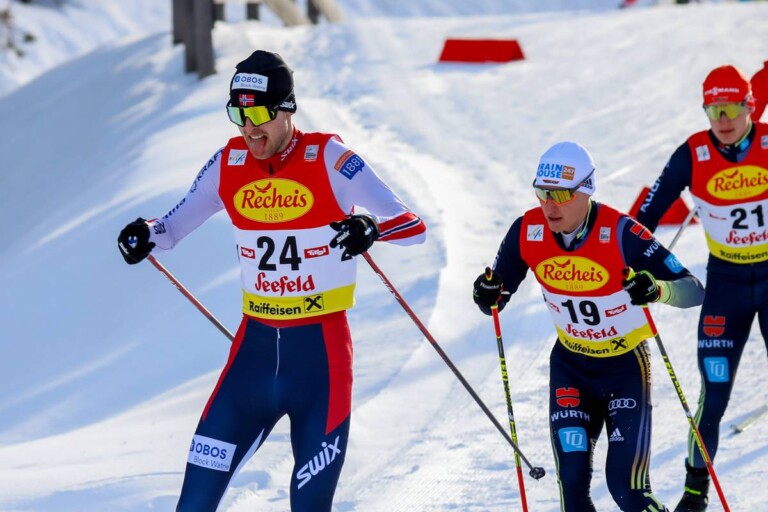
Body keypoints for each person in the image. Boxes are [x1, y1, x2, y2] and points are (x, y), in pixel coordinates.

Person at [117, 50, 426, 511]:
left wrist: (372, 229)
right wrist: (146, 233)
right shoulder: (228, 163)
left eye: (259, 113)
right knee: (194, 502)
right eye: (238, 113)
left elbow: (412, 224)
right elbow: (173, 227)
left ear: (287, 109)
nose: (248, 127)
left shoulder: (330, 158)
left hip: (320, 361)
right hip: (253, 357)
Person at [473, 141, 704, 512]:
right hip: (570, 368)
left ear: (587, 190)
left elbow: (693, 290)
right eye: (542, 193)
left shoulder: (622, 232)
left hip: (624, 367)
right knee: (574, 488)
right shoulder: (525, 231)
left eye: (561, 194)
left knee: (627, 490)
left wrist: (656, 289)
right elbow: (496, 297)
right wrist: (486, 294)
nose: (550, 205)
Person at [636, 64, 768, 512]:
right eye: (714, 110)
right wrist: (628, 268)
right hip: (726, 286)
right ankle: (695, 493)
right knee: (714, 393)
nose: (723, 120)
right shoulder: (692, 154)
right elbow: (643, 220)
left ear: (750, 106)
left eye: (732, 108)